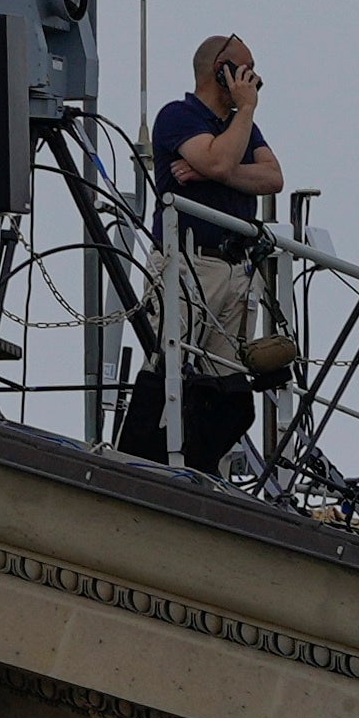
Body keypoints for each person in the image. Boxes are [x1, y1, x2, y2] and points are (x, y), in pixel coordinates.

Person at [144, 33, 287, 474]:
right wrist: (240, 119)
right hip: (189, 263)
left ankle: (203, 471)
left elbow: (272, 177)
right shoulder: (178, 115)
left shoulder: (241, 126)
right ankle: (147, 466)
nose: (254, 80)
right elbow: (224, 163)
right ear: (220, 70)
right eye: (245, 69)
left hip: (235, 269)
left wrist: (213, 171)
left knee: (227, 389)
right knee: (170, 374)